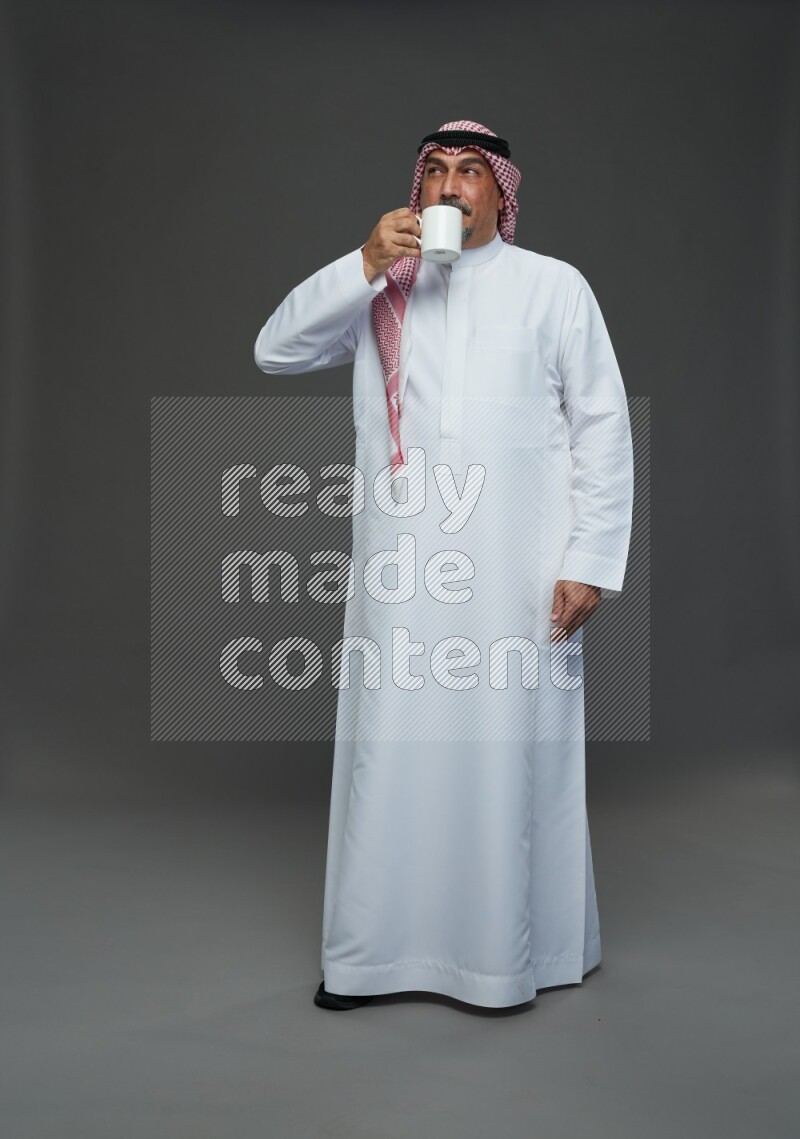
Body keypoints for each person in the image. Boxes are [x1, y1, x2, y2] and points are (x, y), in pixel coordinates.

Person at [254, 120, 634, 1011]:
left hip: (519, 570)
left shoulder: (553, 288)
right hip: (404, 572)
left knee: (512, 755)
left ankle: (511, 960)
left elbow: (602, 429)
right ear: (416, 192)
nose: (453, 186)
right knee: (391, 751)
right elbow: (275, 350)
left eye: (472, 172)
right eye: (437, 172)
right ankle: (373, 958)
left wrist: (589, 560)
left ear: (502, 193)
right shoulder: (384, 288)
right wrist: (359, 263)